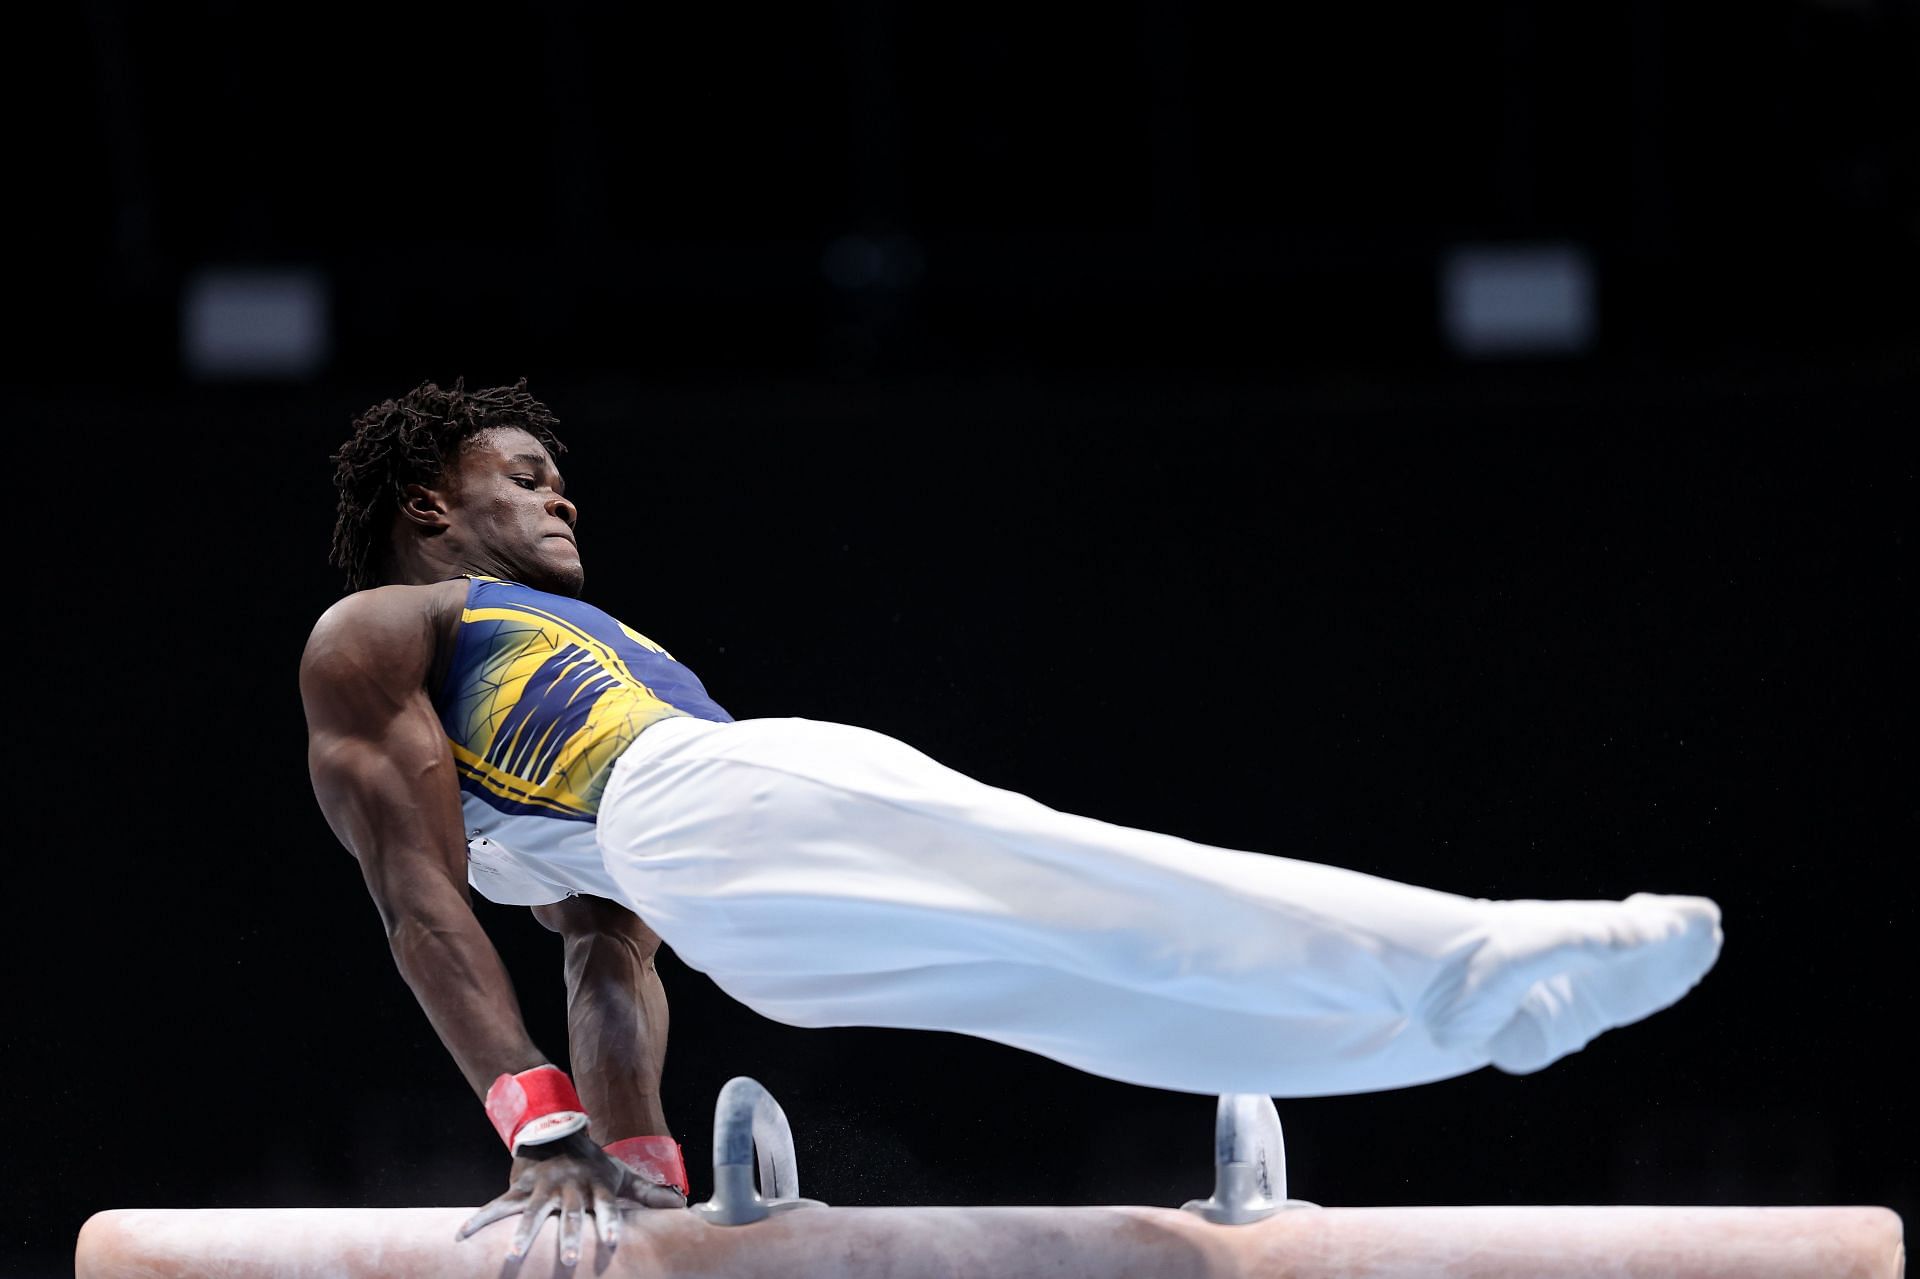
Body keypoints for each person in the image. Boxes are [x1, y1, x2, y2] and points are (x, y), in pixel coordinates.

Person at [300, 378, 1723, 1263]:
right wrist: (542, 1128)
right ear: (430, 505)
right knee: (1087, 880)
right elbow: (417, 903)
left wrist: (644, 1171)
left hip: (737, 923)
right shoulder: (387, 628)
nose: (563, 493)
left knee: (1097, 992)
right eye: (524, 474)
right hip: (704, 803)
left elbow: (605, 951)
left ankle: (1468, 1022)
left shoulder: (548, 660)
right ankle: (1479, 954)